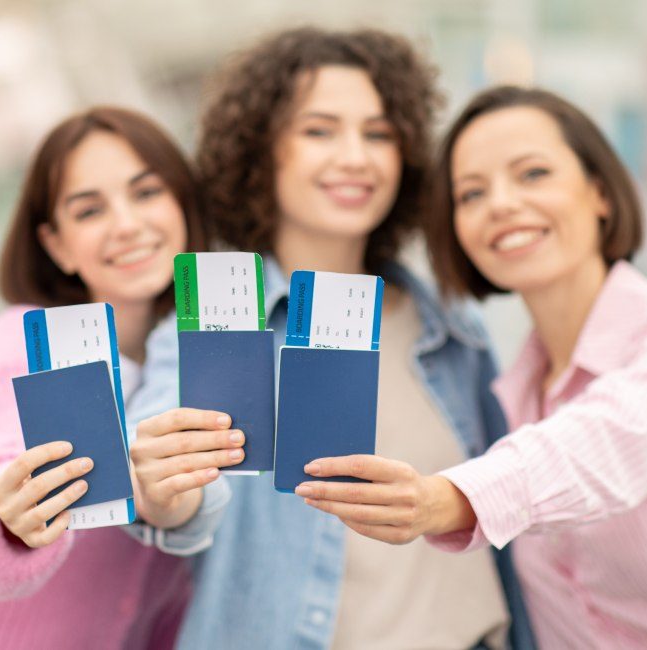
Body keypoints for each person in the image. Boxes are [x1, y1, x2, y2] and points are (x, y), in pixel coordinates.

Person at [299, 85, 647, 648]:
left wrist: (442, 500)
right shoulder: (509, 387)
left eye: (533, 174)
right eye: (471, 194)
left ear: (600, 192)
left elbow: (592, 450)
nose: (500, 204)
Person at [128, 28, 534, 650]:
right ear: (262, 153)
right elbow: (178, 492)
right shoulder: (214, 318)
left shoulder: (448, 327)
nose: (356, 157)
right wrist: (162, 492)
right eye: (320, 130)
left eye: (378, 133)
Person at [0, 106, 231, 649]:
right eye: (89, 211)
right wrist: (10, 514)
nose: (127, 224)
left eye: (147, 193)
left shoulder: (196, 360)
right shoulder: (15, 348)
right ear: (56, 244)